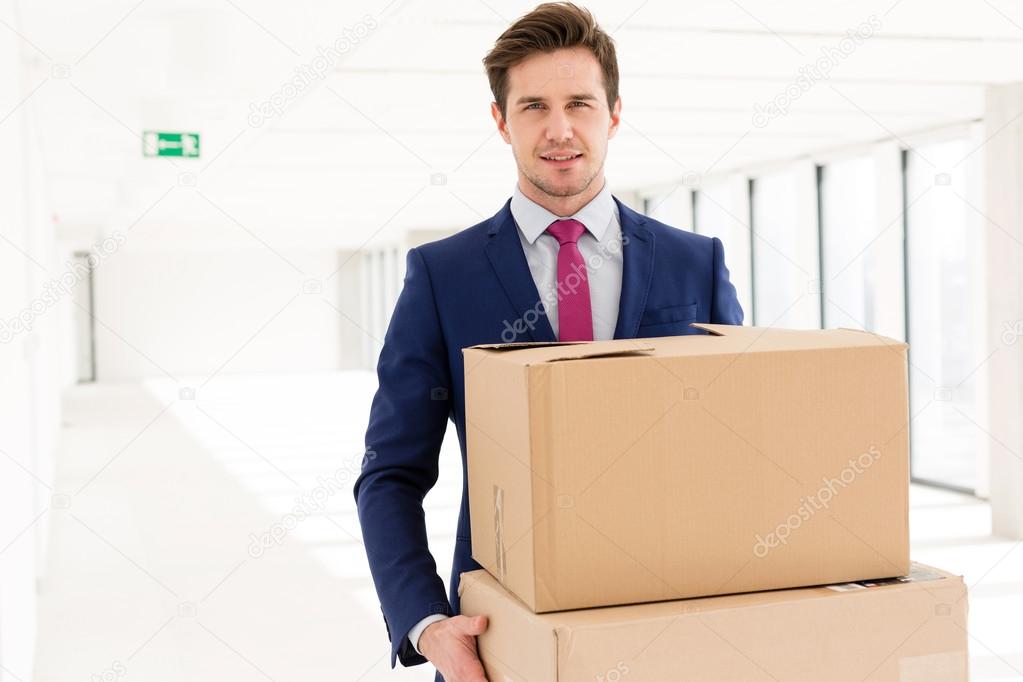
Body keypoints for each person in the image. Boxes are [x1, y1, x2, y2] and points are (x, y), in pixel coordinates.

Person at [353, 3, 744, 680]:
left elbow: (741, 445)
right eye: (533, 106)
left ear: (614, 114)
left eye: (579, 104)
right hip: (502, 627)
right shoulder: (442, 276)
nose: (558, 130)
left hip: (674, 611)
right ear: (501, 121)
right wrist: (425, 623)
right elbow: (390, 473)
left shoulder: (694, 262)